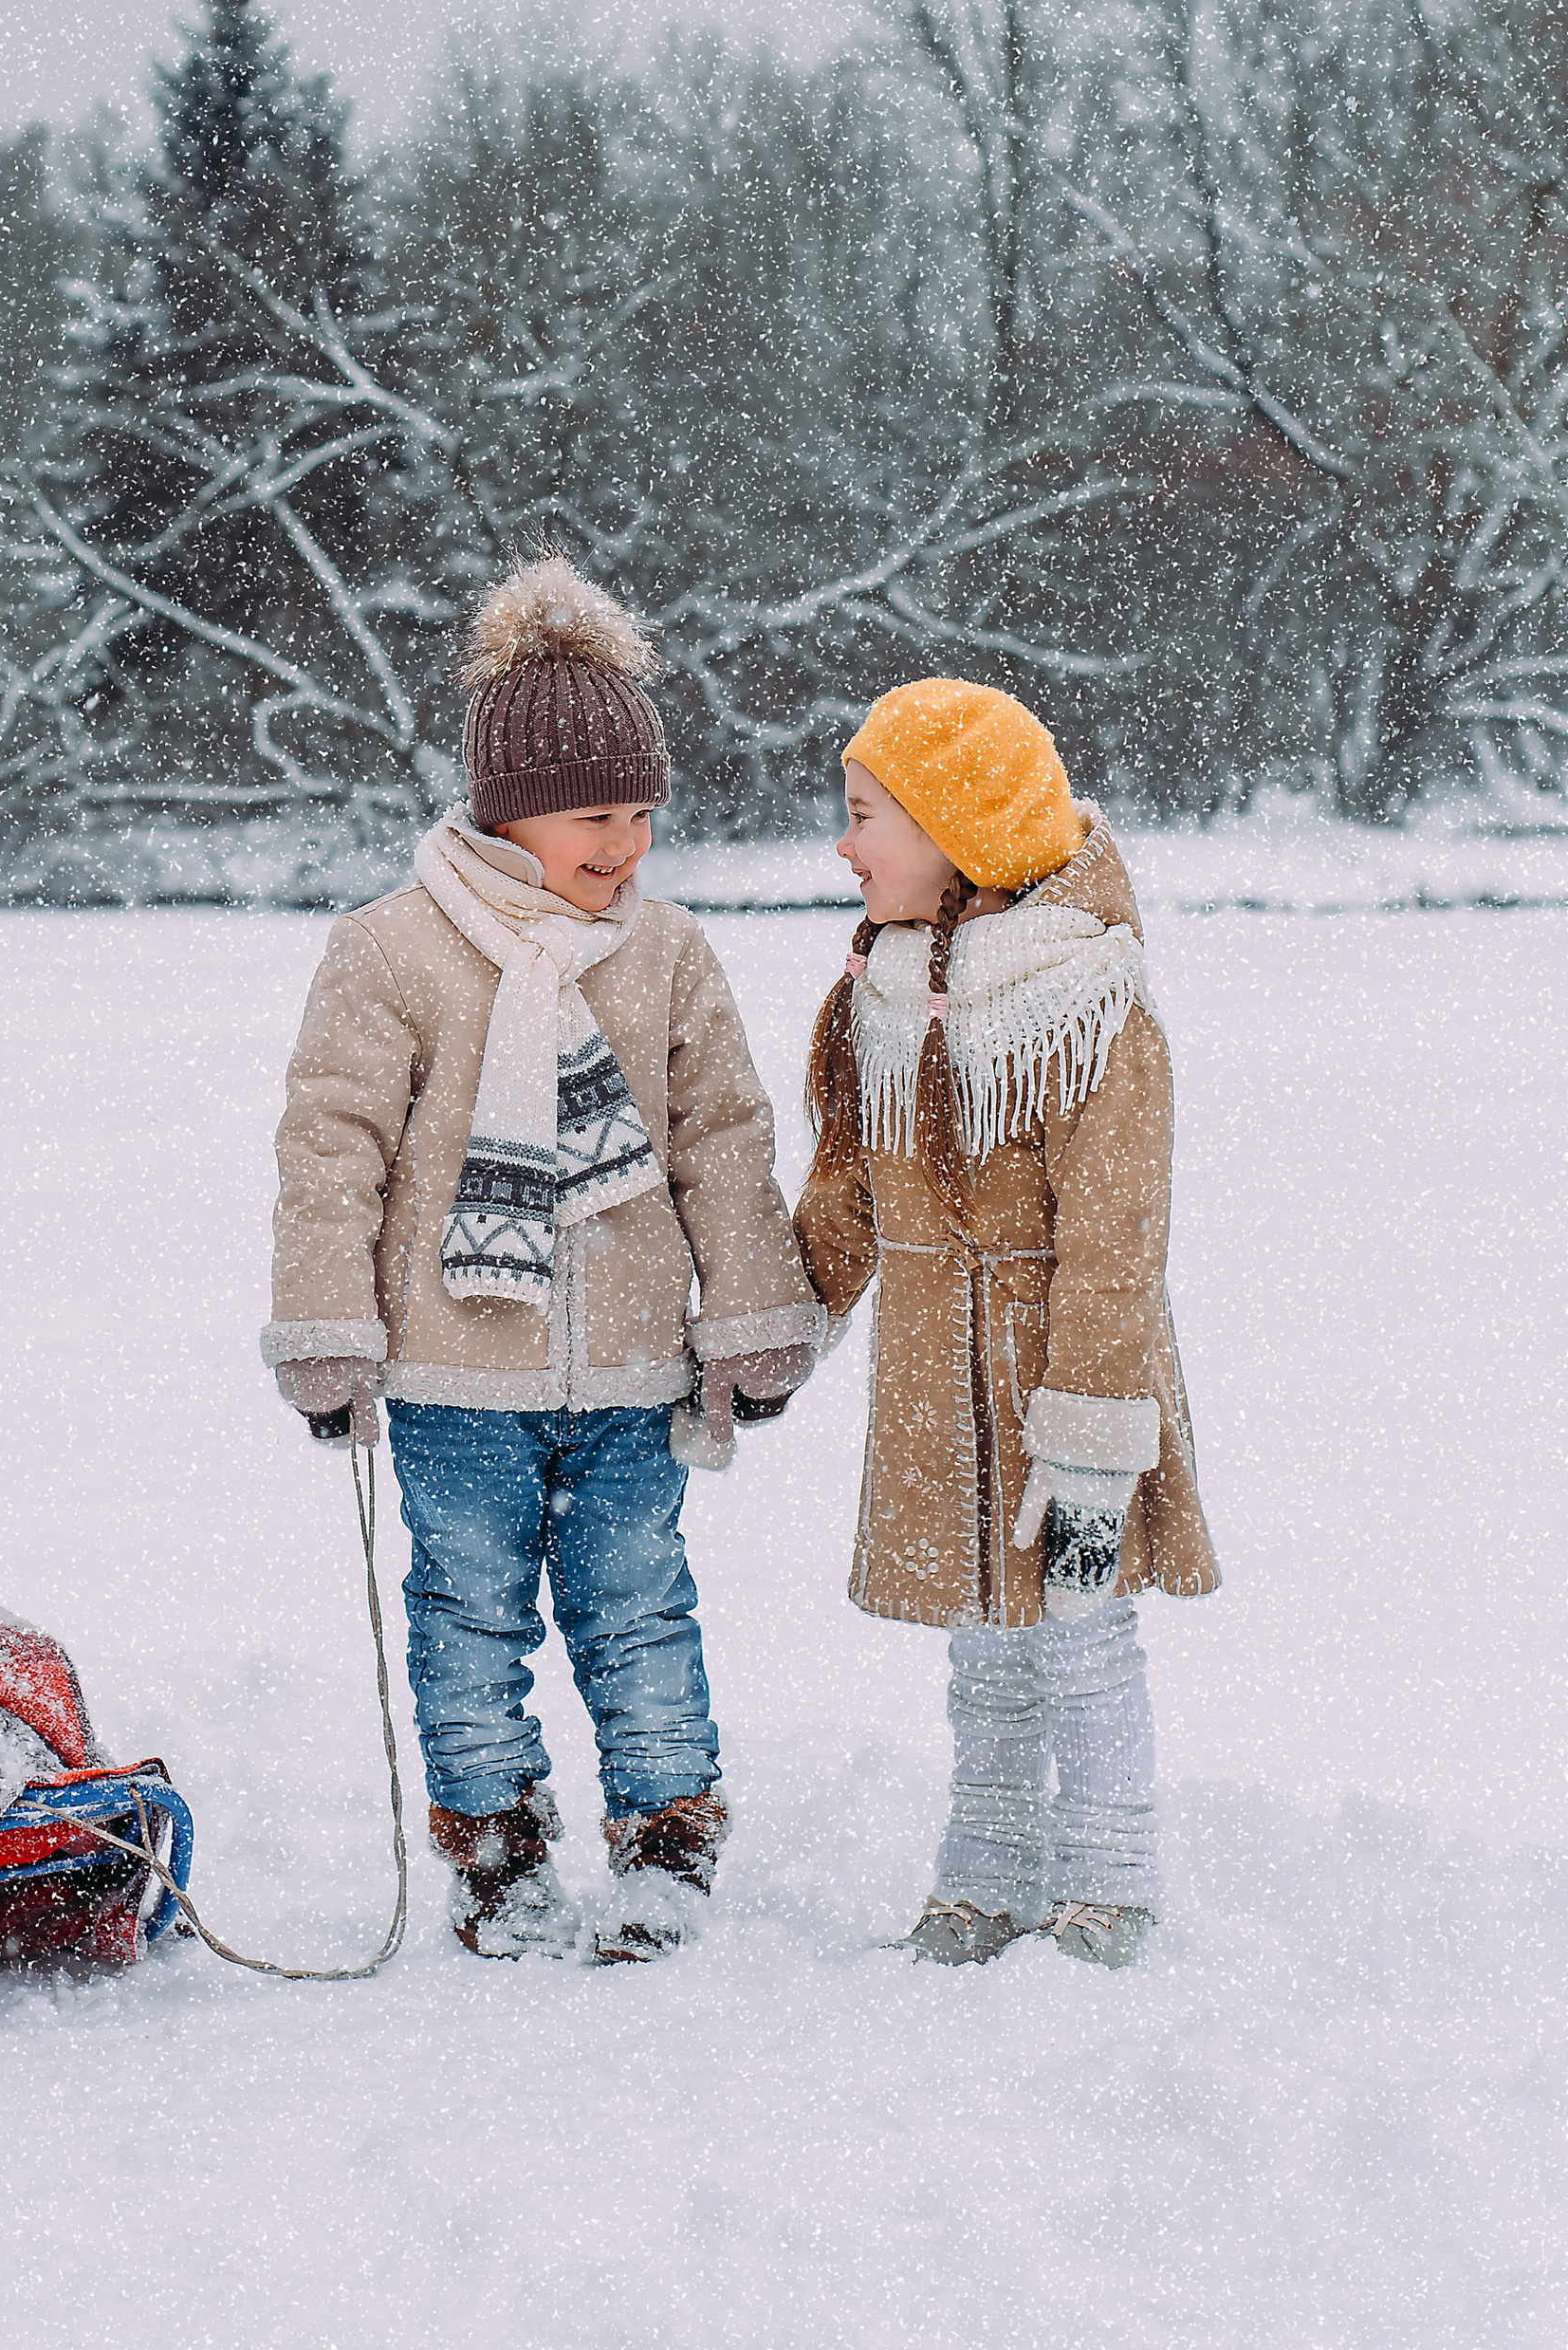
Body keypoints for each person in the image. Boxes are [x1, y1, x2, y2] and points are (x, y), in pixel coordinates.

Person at [264, 556, 823, 1963]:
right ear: (509, 806)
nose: (625, 844)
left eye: (642, 814)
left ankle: (666, 1838)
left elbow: (723, 1140)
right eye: (596, 815)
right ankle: (497, 1847)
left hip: (633, 1365)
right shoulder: (393, 952)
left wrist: (750, 1315)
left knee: (637, 1605)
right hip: (457, 1370)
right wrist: (329, 1328)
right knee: (467, 1613)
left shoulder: (670, 955)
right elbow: (332, 1149)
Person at [794, 681, 1219, 1968]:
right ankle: (983, 1875)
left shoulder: (1087, 1005)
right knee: (984, 1656)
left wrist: (1090, 1439)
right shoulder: (880, 997)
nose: (845, 844)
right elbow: (848, 1195)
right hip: (937, 1393)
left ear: (956, 832)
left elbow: (1116, 1243)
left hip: (1069, 1394)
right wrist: (773, 1331)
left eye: (867, 815)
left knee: (1082, 1639)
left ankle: (1112, 1879)